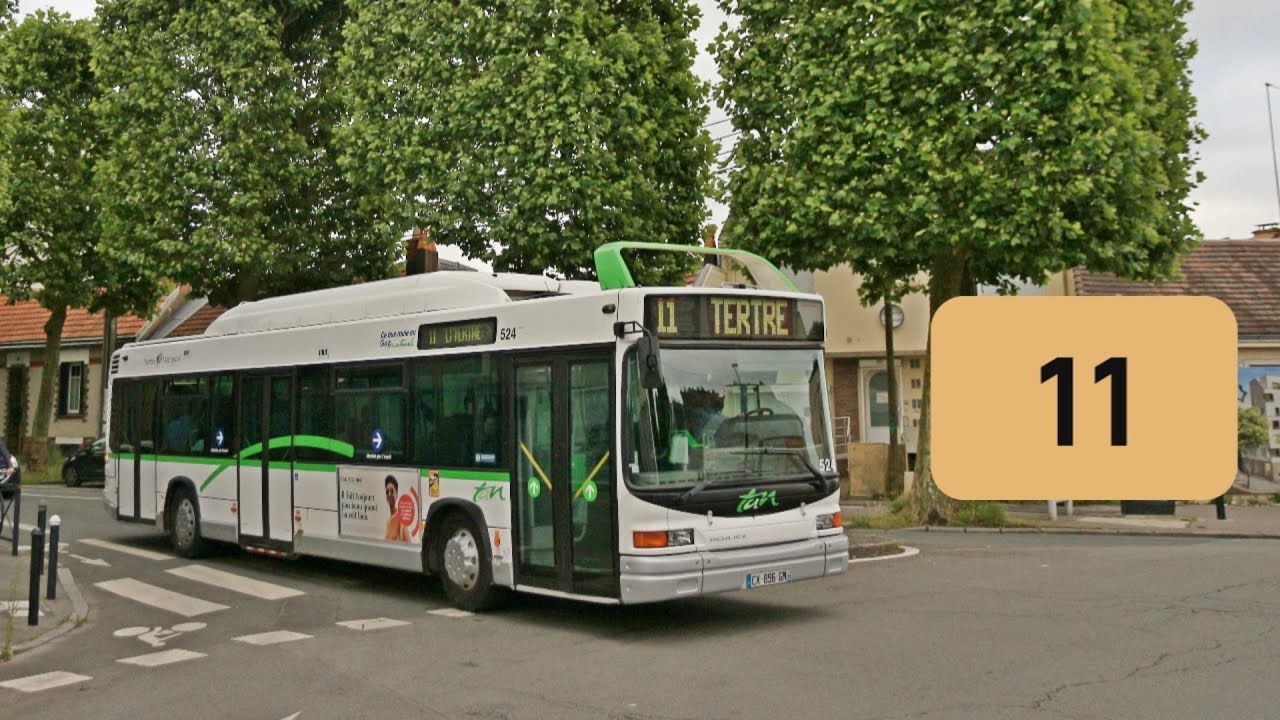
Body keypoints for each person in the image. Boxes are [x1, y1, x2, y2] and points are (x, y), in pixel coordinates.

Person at [383, 475, 409, 542]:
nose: (389, 494)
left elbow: (409, 543)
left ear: (396, 494)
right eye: (387, 492)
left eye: (392, 491)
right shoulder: (388, 522)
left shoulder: (400, 518)